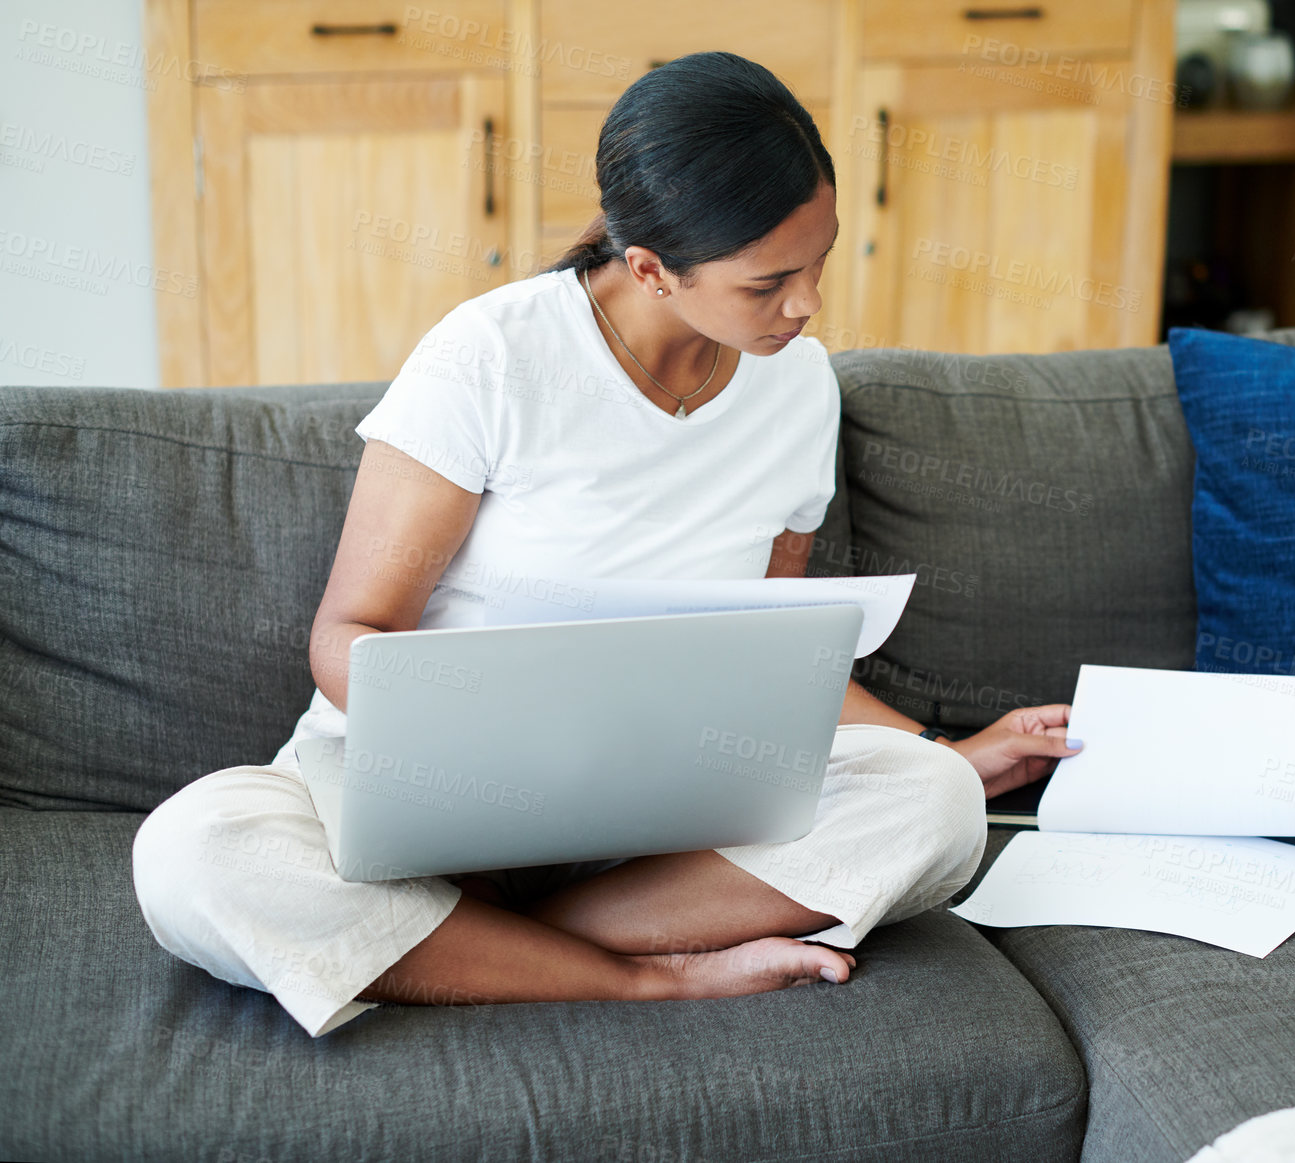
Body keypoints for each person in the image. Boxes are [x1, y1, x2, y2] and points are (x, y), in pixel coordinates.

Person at [131, 51, 1082, 1038]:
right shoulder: (491, 356)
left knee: (933, 806)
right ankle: (641, 975)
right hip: (444, 796)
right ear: (649, 268)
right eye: (768, 283)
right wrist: (486, 750)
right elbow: (352, 632)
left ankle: (479, 940)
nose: (806, 306)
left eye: (817, 262)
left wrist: (951, 749)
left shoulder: (798, 386)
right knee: (197, 850)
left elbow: (774, 665)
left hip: (658, 829)